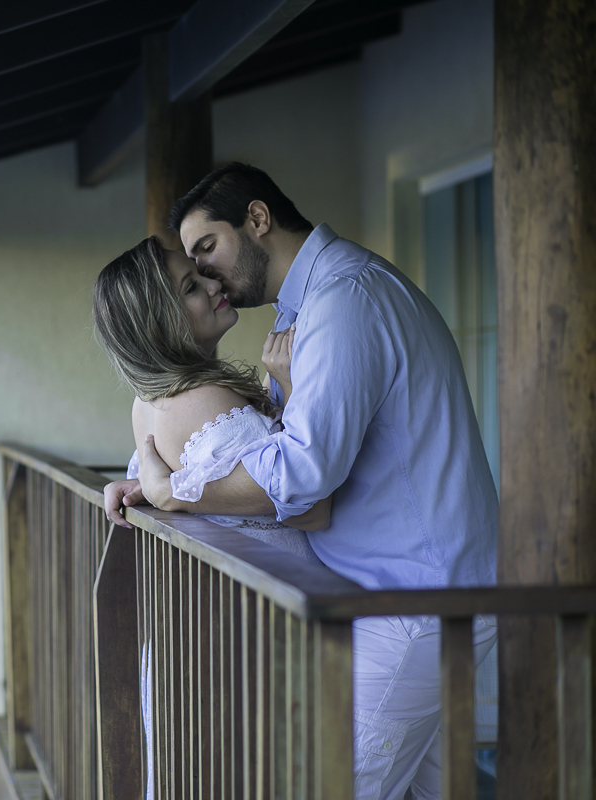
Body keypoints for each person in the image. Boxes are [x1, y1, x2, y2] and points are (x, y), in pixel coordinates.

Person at [105, 163, 497, 800]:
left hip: (418, 602)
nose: (206, 275)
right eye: (191, 272)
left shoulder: (346, 299)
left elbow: (305, 478)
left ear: (257, 220)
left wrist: (176, 490)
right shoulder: (310, 307)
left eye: (207, 250)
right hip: (396, 599)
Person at [92, 234, 330, 559]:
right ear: (159, 323)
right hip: (286, 592)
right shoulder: (205, 400)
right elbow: (312, 509)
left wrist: (153, 489)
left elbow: (222, 491)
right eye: (191, 287)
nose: (213, 285)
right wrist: (293, 391)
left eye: (200, 274)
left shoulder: (146, 402)